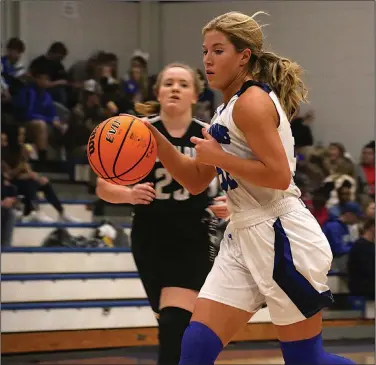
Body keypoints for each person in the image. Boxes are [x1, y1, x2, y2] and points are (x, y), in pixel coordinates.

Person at [141, 11, 355, 365]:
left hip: (282, 237)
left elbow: (279, 176)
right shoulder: (226, 109)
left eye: (218, 50)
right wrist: (156, 139)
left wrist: (220, 158)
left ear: (244, 56)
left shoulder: (252, 102)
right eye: (204, 50)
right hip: (242, 235)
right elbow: (196, 181)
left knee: (306, 361)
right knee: (194, 348)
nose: (208, 59)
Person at [95, 63, 228, 365]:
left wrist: (231, 203)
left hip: (194, 236)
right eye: (168, 83)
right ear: (157, 92)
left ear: (195, 95)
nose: (175, 89)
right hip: (149, 237)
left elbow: (237, 181)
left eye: (183, 84)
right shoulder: (136, 131)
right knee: (171, 322)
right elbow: (103, 186)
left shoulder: (207, 135)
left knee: (174, 324)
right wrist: (128, 194)